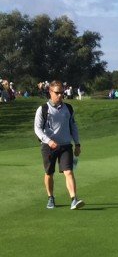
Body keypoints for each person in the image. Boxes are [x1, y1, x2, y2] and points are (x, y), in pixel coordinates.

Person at [34, 81, 84, 209]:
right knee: (49, 173)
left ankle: (74, 199)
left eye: (62, 92)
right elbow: (37, 129)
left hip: (66, 145)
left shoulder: (69, 108)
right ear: (50, 92)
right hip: (48, 146)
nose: (60, 95)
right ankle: (50, 197)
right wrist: (49, 141)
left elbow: (73, 126)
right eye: (57, 93)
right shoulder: (43, 109)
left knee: (69, 171)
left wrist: (77, 143)